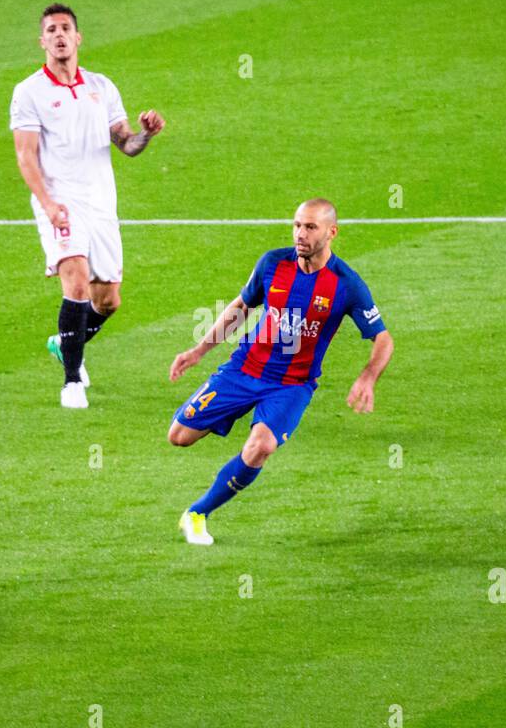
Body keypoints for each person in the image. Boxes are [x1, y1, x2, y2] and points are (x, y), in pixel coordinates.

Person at [167, 199, 394, 544]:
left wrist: (367, 376)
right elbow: (242, 307)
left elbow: (383, 339)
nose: (300, 234)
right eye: (297, 225)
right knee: (179, 436)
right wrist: (200, 350)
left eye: (310, 227)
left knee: (261, 446)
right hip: (243, 369)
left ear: (332, 232)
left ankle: (197, 513)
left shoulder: (345, 284)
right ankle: (228, 417)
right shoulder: (272, 263)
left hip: (292, 386)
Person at [10, 3, 166, 408]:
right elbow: (26, 156)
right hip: (60, 202)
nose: (59, 35)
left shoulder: (102, 86)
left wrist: (146, 135)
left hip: (101, 205)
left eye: (66, 28)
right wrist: (47, 204)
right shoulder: (29, 92)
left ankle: (65, 343)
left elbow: (126, 144)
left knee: (108, 300)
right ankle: (71, 383)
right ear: (42, 41)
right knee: (76, 282)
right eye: (51, 30)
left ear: (78, 38)